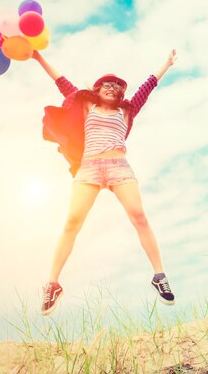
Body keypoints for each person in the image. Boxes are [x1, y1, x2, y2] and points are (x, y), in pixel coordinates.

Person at [32, 49, 178, 316]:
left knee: (139, 217)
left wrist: (166, 64)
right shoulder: (86, 105)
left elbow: (149, 86)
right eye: (107, 85)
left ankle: (159, 276)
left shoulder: (128, 111)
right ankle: (52, 284)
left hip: (119, 168)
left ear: (121, 94)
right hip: (89, 168)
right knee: (72, 222)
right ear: (97, 90)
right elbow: (61, 82)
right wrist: (38, 57)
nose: (112, 88)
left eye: (117, 86)